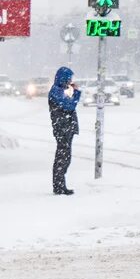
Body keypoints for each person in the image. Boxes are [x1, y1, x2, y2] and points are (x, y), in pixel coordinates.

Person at [47, 66, 81, 196]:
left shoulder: (60, 90)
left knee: (65, 157)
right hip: (62, 129)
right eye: (69, 78)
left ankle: (61, 185)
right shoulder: (56, 91)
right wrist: (76, 92)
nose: (70, 81)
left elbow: (68, 106)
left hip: (65, 128)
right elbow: (69, 106)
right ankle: (59, 186)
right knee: (63, 158)